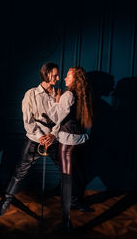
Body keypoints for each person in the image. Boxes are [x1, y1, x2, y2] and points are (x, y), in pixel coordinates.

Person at [0, 62, 60, 216]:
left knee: (67, 169)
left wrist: (53, 134)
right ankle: (5, 202)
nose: (58, 78)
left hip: (53, 140)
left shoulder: (58, 94)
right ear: (46, 74)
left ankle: (72, 200)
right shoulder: (31, 94)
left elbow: (61, 120)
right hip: (34, 140)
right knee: (19, 173)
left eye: (57, 75)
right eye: (55, 75)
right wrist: (40, 136)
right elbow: (28, 121)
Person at [41, 66, 94, 234]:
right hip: (77, 140)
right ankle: (69, 212)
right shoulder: (82, 95)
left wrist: (56, 102)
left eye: (68, 76)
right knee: (72, 177)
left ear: (76, 80)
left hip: (71, 141)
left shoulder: (69, 95)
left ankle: (68, 217)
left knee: (69, 178)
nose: (64, 79)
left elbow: (55, 117)